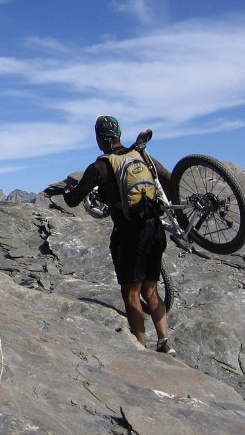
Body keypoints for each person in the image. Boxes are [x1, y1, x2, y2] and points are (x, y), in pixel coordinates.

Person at [63, 115, 176, 355]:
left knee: (131, 293)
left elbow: (73, 200)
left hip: (131, 235)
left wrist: (67, 190)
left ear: (99, 138)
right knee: (150, 289)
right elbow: (168, 179)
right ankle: (165, 340)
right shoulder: (141, 156)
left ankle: (141, 349)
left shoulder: (100, 167)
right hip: (155, 229)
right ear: (119, 135)